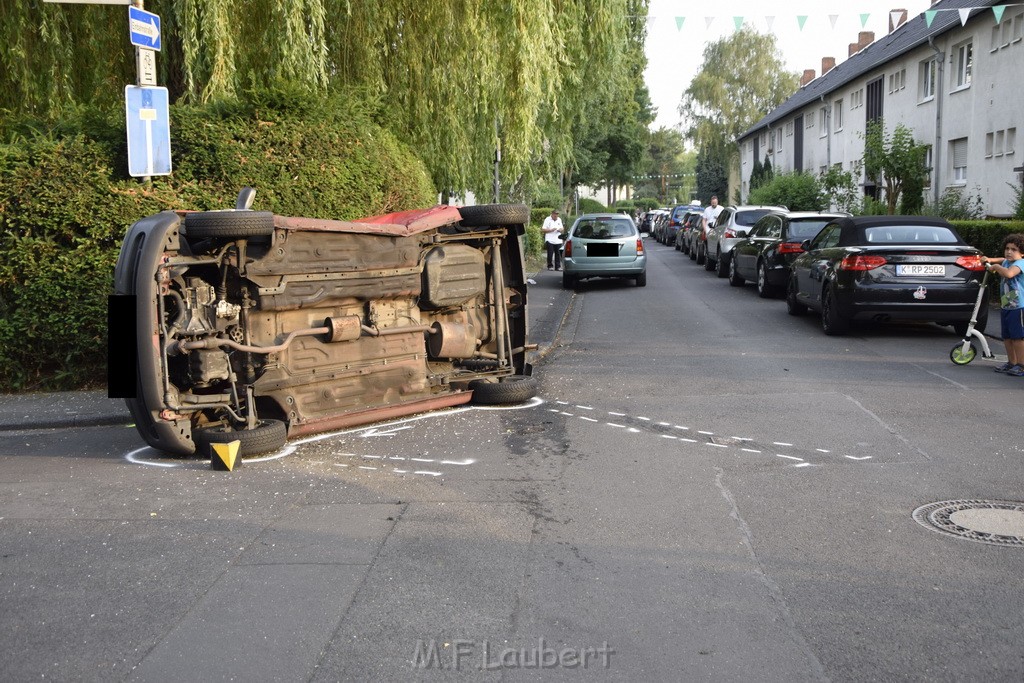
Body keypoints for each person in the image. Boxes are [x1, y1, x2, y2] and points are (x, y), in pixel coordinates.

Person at [983, 233, 1024, 376]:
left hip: (1019, 306)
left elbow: (1009, 274)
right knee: (1007, 336)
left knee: (1017, 337)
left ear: (1022, 253)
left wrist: (994, 266)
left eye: (1014, 249)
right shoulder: (1007, 261)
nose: (1009, 252)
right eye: (1007, 248)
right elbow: (1002, 260)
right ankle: (1011, 362)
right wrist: (990, 259)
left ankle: (1021, 364)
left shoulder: (1020, 264)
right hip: (1007, 305)